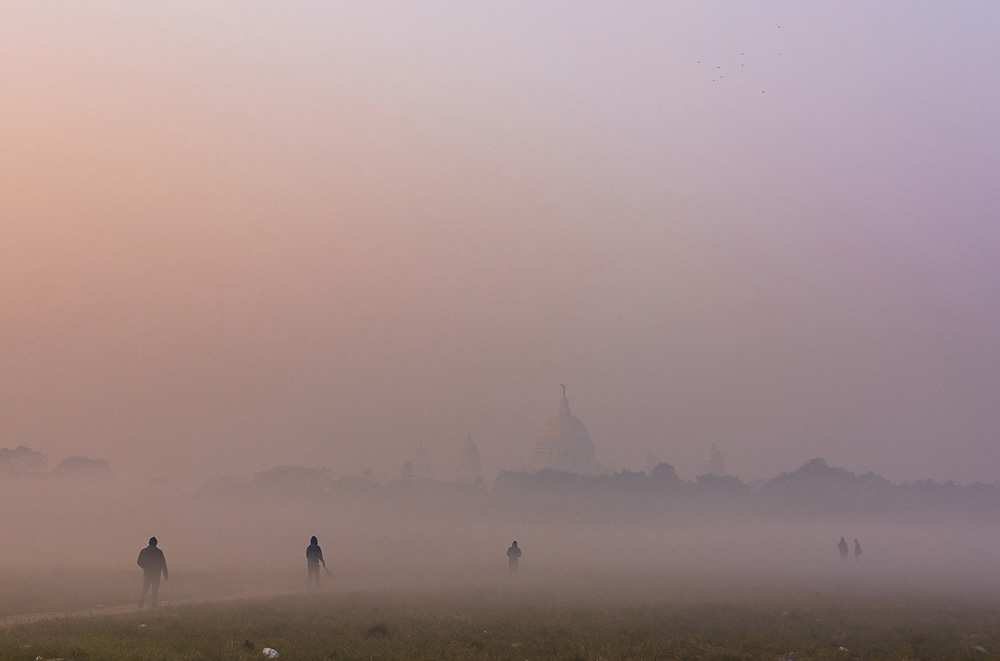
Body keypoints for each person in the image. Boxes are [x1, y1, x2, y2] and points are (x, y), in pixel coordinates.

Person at [137, 536, 168, 607]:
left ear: (149, 543)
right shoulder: (159, 552)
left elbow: (139, 561)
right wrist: (165, 574)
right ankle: (154, 604)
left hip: (147, 573)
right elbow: (163, 563)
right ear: (156, 543)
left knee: (145, 588)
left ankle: (140, 602)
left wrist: (145, 567)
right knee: (155, 589)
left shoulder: (144, 551)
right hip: (156, 574)